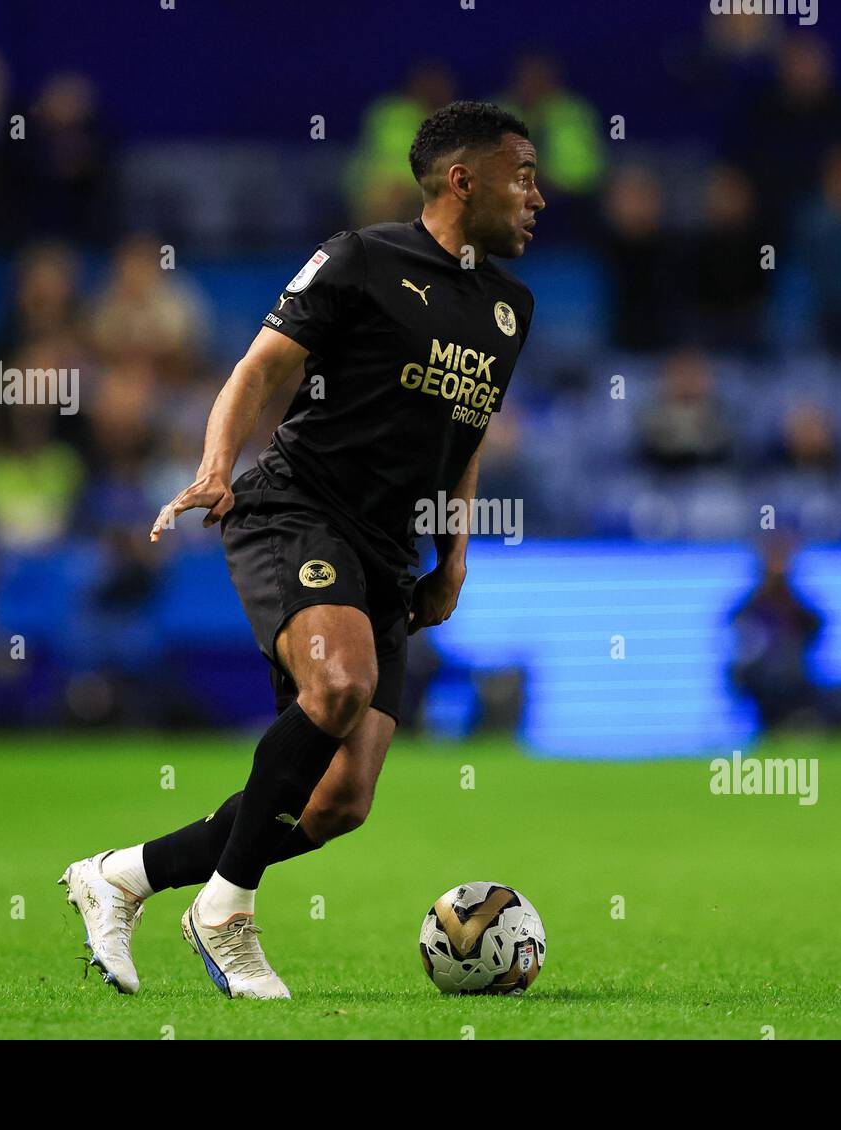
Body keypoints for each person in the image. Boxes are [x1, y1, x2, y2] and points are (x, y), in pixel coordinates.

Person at [59, 101, 543, 999]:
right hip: (296, 510)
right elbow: (260, 368)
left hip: (390, 551)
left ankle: (119, 876)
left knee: (337, 803)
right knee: (340, 685)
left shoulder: (511, 308)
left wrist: (454, 558)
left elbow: (464, 439)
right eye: (523, 175)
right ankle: (225, 913)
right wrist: (215, 466)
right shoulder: (363, 258)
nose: (539, 195)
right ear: (461, 180)